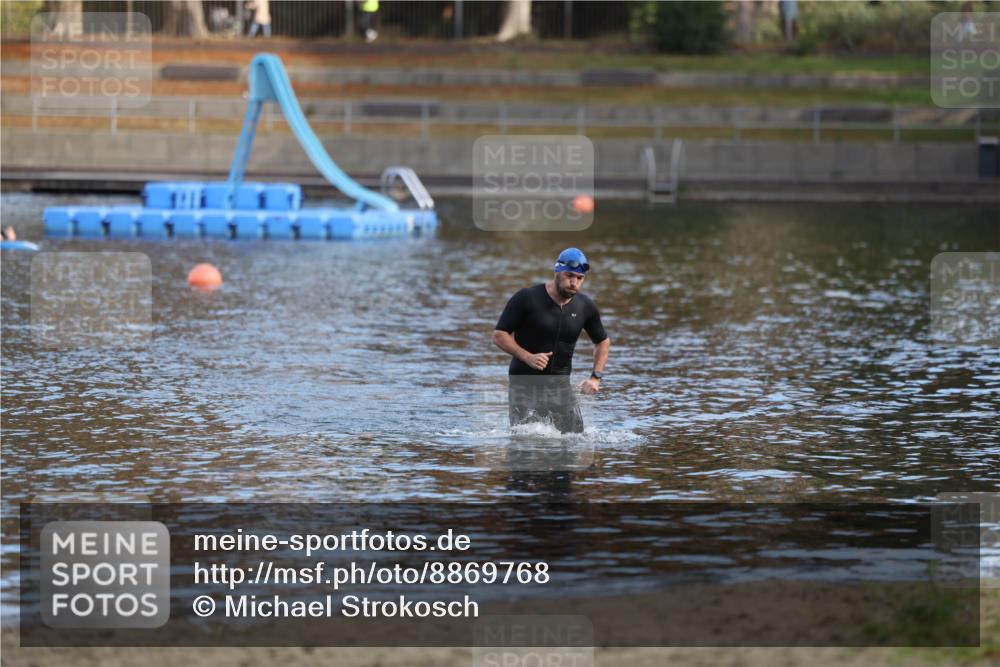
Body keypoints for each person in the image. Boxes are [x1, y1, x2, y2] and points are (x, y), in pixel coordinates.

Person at [492, 248, 610, 434]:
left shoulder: (585, 306)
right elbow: (499, 335)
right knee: (527, 446)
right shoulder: (527, 298)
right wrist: (527, 357)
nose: (574, 282)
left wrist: (596, 377)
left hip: (560, 387)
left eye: (580, 278)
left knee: (576, 444)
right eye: (569, 275)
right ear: (557, 271)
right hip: (524, 386)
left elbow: (602, 341)